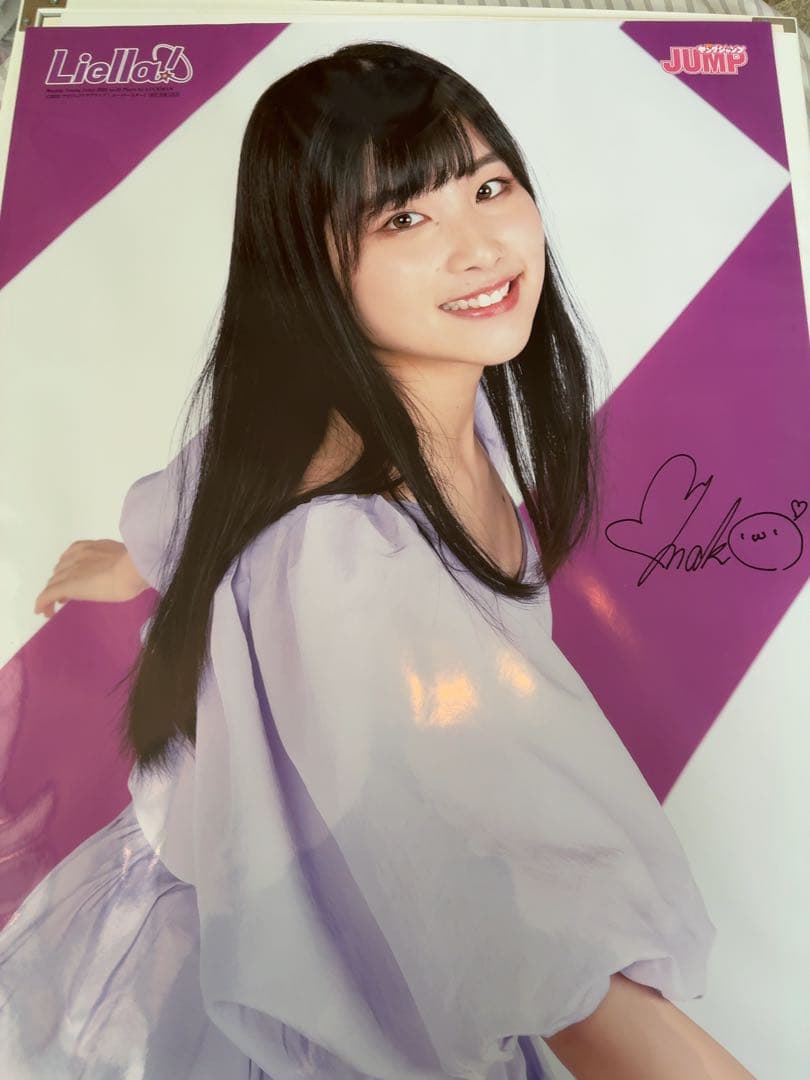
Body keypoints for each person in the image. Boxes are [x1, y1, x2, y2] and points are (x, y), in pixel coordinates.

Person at [3, 40, 752, 1080]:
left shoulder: (426, 407)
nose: (479, 247)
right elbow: (509, 906)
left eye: (489, 186)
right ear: (307, 265)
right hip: (292, 971)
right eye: (404, 219)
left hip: (339, 911)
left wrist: (141, 549)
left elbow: (233, 460)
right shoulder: (358, 569)